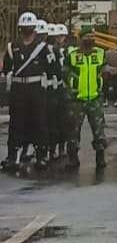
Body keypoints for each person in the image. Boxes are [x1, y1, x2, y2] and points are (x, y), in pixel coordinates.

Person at [2, 12, 56, 172]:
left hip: (36, 89)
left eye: (29, 28)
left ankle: (41, 156)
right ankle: (12, 156)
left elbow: (53, 69)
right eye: (24, 29)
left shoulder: (43, 48)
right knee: (16, 124)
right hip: (19, 90)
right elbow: (7, 68)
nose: (27, 31)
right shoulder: (13, 47)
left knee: (39, 122)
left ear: (34, 30)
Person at [65, 29, 106, 170]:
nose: (90, 38)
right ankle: (72, 158)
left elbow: (104, 70)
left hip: (95, 98)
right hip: (76, 99)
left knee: (99, 130)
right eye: (87, 36)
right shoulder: (72, 55)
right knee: (73, 131)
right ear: (80, 38)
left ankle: (100, 156)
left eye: (92, 36)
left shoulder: (100, 54)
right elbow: (64, 74)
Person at [44, 23, 69, 161]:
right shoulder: (47, 51)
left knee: (61, 121)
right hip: (50, 89)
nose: (57, 39)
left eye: (60, 36)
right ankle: (51, 148)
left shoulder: (67, 51)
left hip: (61, 89)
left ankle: (60, 147)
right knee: (50, 121)